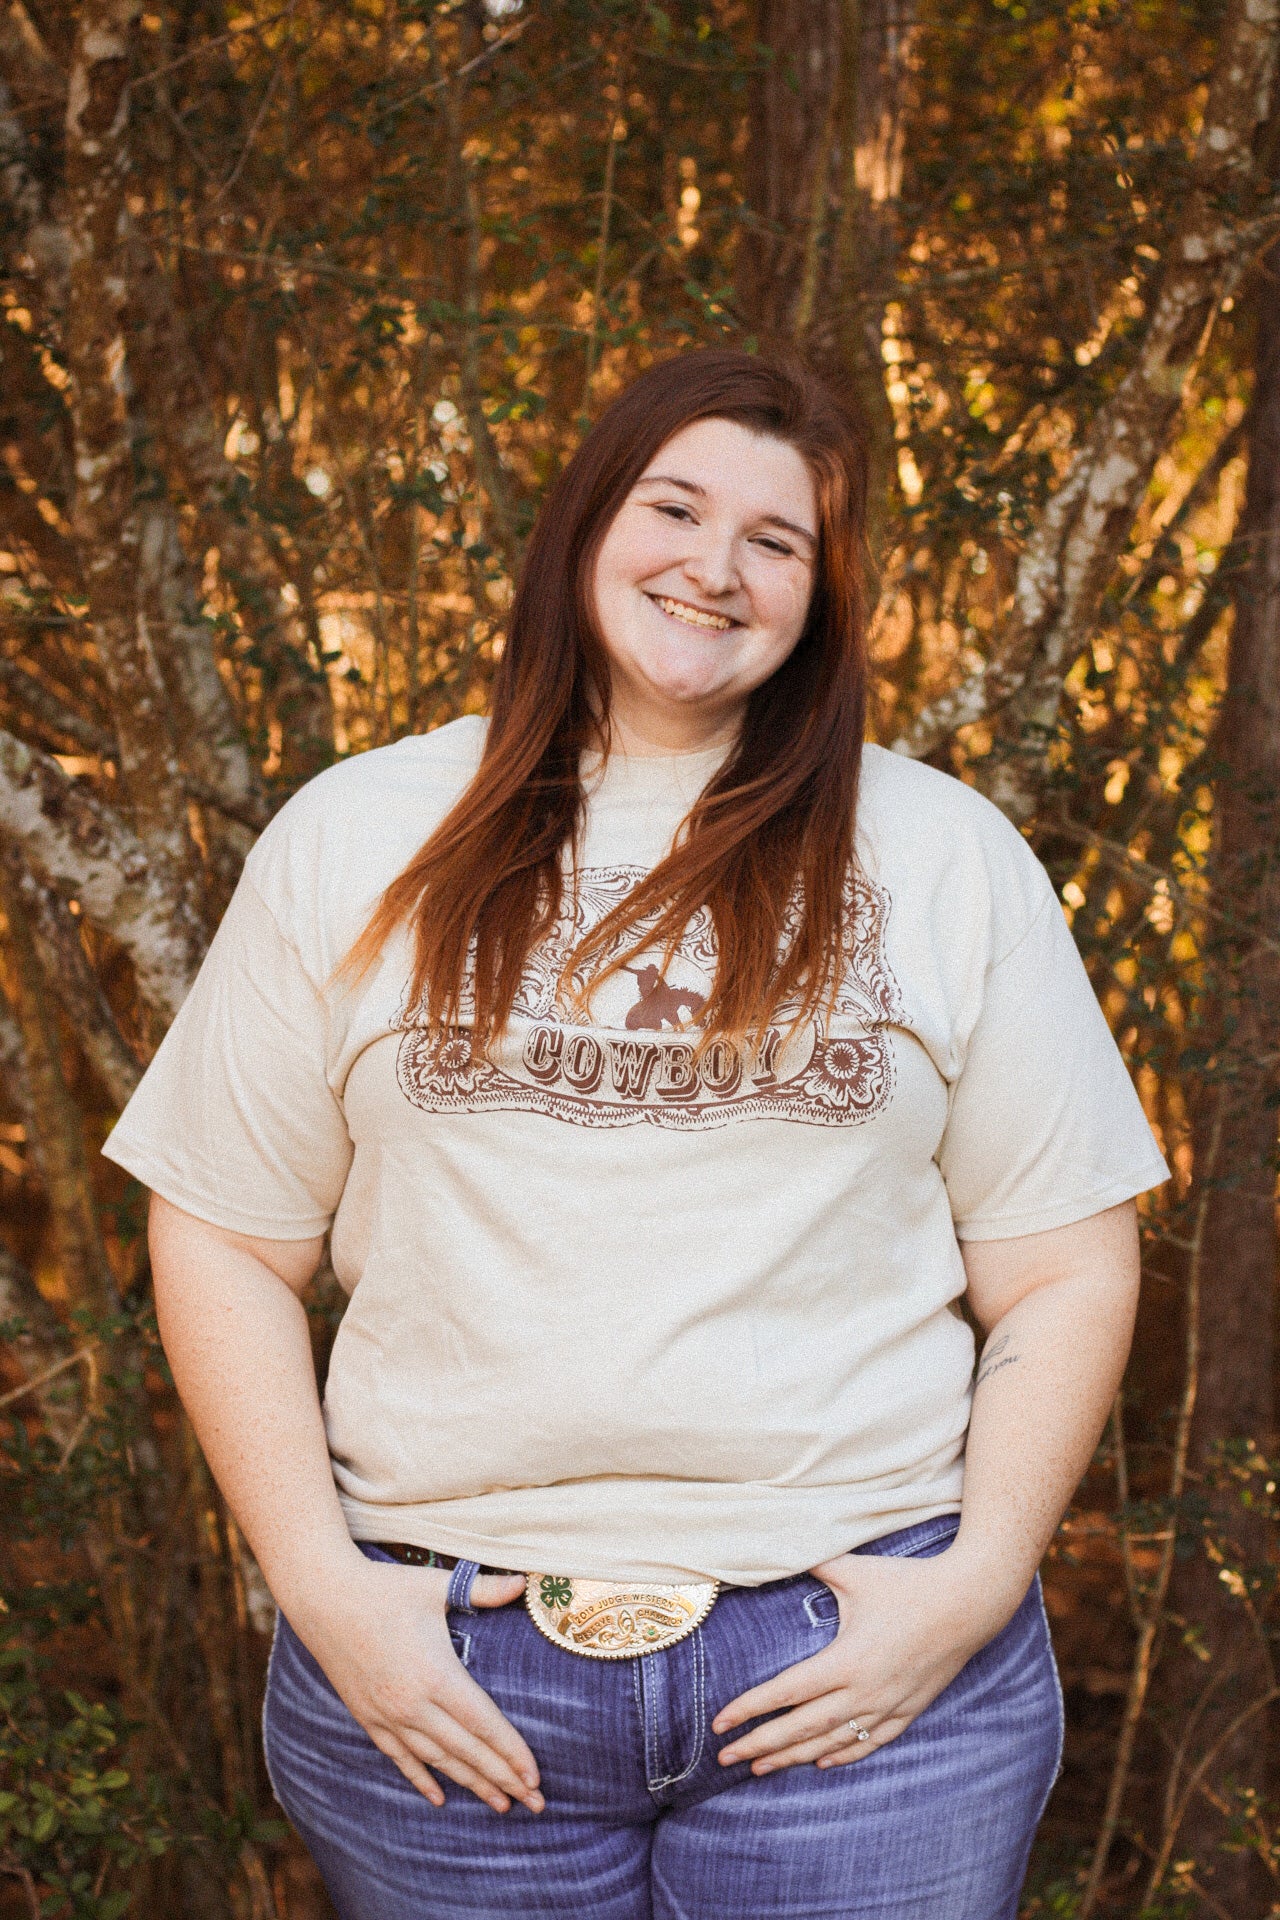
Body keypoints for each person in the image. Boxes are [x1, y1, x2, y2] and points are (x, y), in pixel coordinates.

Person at [104, 351, 1169, 1920]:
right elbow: (222, 1237)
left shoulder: (943, 853)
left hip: (859, 1671)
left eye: (776, 540)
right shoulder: (359, 833)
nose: (714, 567)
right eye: (675, 506)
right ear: (589, 526)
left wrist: (978, 1583)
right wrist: (326, 1593)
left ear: (821, 594)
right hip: (443, 1665)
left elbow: (1069, 1265)